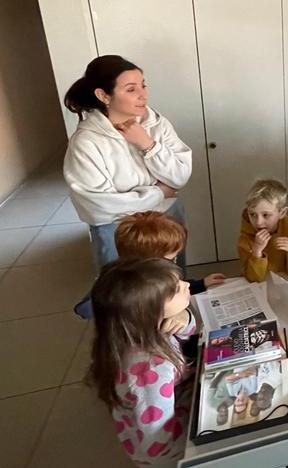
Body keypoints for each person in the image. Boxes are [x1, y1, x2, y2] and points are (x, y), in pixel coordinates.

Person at [63, 55, 192, 272]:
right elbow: (98, 207)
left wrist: (147, 144)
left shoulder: (157, 124)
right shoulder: (87, 141)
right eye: (131, 89)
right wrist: (159, 193)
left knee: (174, 285)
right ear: (103, 95)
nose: (143, 95)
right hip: (120, 233)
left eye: (143, 85)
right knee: (128, 296)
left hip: (167, 222)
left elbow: (179, 176)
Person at [88, 257, 197, 467]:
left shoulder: (134, 329)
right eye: (176, 289)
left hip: (166, 402)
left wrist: (184, 317)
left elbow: (185, 333)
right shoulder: (150, 368)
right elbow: (156, 443)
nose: (187, 285)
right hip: (168, 449)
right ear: (150, 310)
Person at [73, 211, 226, 320]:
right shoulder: (124, 282)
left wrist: (201, 284)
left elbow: (171, 288)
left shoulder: (156, 274)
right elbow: (84, 308)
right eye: (170, 258)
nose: (173, 262)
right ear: (147, 261)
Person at [237, 179, 288, 282]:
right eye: (252, 214)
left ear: (282, 213)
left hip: (283, 282)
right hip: (259, 285)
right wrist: (257, 252)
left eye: (266, 215)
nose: (258, 222)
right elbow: (253, 279)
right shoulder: (245, 238)